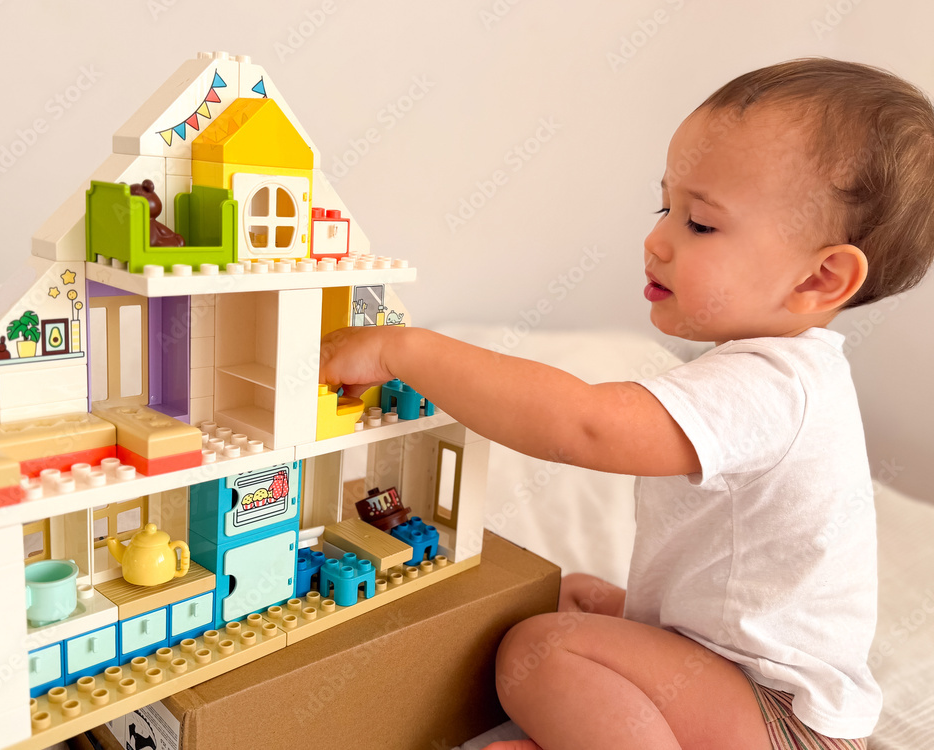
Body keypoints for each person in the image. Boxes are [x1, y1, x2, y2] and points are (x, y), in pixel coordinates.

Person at [318, 59, 934, 749]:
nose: (657, 239)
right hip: (733, 682)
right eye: (663, 207)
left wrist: (407, 352)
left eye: (699, 224)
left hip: (779, 721)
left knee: (540, 649)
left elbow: (585, 424)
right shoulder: (781, 372)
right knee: (577, 594)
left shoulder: (772, 385)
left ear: (820, 277)